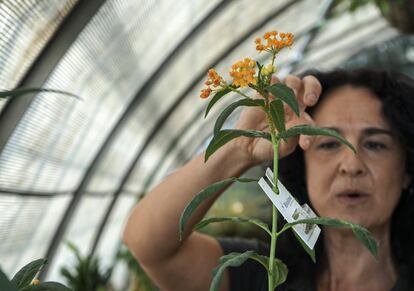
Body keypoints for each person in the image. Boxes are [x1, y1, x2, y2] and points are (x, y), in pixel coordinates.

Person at [123, 68, 414, 291]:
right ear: (303, 165)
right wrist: (241, 147)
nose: (351, 165)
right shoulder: (267, 273)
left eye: (375, 145)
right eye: (328, 143)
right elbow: (151, 246)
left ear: (406, 171)